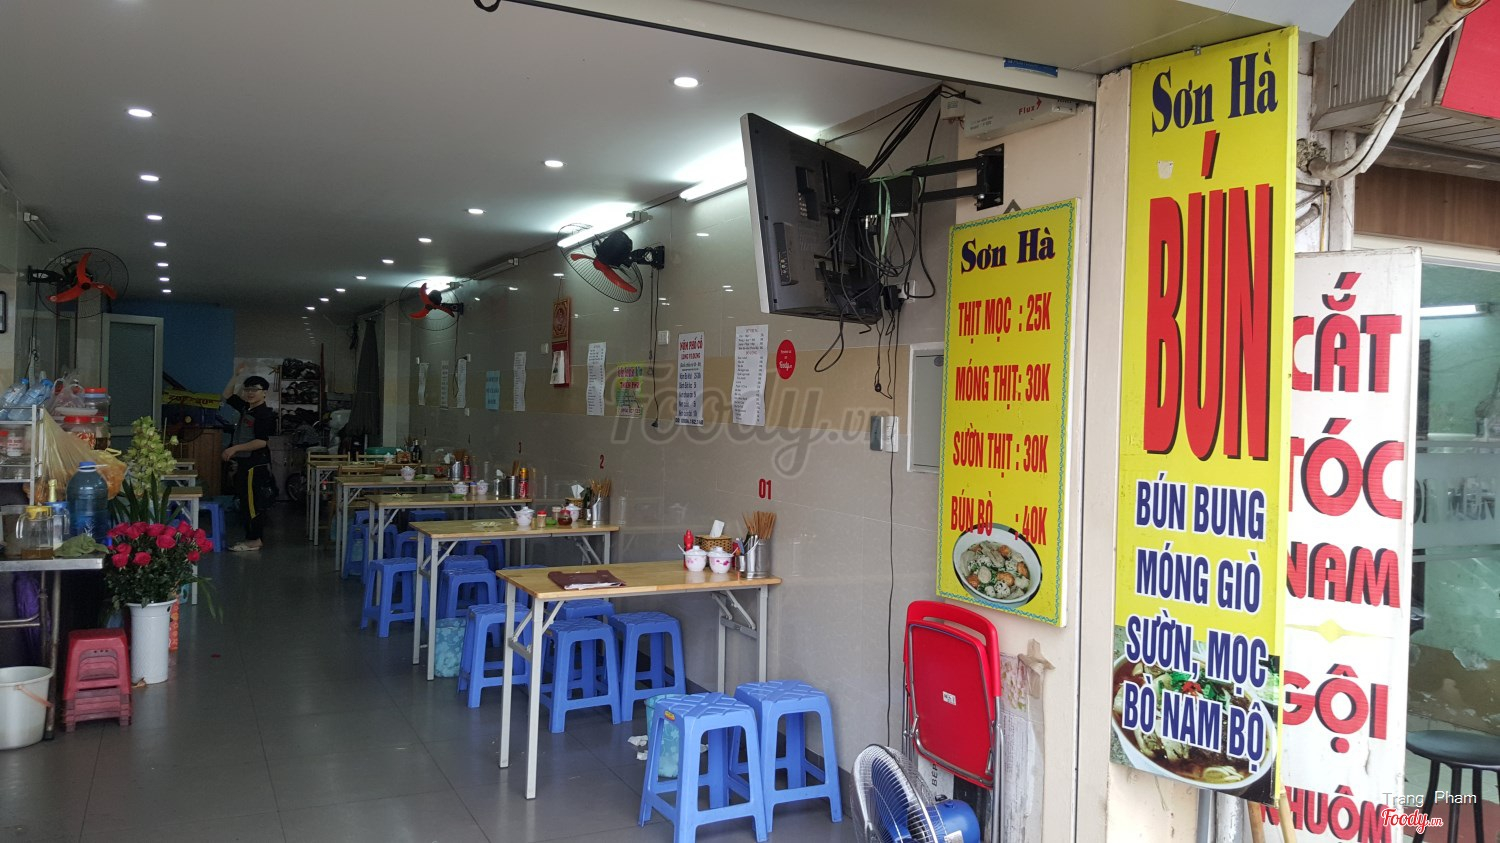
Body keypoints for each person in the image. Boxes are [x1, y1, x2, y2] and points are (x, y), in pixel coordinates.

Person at [222, 367, 277, 551]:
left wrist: (235, 448)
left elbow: (261, 442)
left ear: (264, 392)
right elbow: (227, 395)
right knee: (245, 501)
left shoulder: (265, 414)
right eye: (247, 389)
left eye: (255, 389)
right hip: (244, 462)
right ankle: (250, 538)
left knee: (253, 503)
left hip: (256, 463)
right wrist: (236, 375)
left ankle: (255, 539)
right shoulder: (246, 408)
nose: (250, 393)